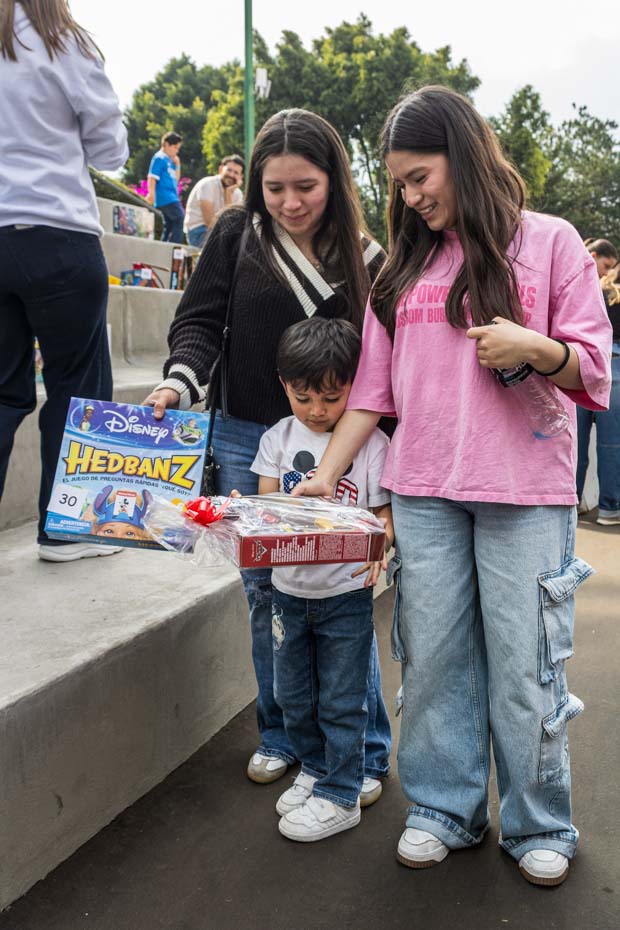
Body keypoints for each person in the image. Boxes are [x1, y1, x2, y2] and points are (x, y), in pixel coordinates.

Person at [292, 86, 612, 885]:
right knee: (432, 658)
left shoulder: (551, 242)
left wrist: (534, 345)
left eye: (420, 174)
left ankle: (538, 819)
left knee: (525, 662)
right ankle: (442, 807)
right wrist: (323, 479)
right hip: (425, 492)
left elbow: (593, 367)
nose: (411, 195)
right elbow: (371, 391)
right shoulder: (403, 270)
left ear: (464, 153)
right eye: (399, 182)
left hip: (525, 491)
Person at [145, 108, 392, 801]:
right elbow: (198, 321)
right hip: (246, 440)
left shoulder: (369, 262)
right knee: (266, 602)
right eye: (274, 187)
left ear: (334, 182)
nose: (289, 202)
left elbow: (381, 366)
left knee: (344, 602)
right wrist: (176, 382)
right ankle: (281, 736)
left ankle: (363, 750)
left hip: (334, 451)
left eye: (305, 186)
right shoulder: (235, 234)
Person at [250, 317, 393, 842]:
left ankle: (341, 790)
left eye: (332, 398)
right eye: (304, 396)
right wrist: (240, 517)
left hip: (346, 596)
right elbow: (266, 506)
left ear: (356, 385)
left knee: (342, 696)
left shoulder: (371, 444)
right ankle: (313, 768)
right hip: (288, 593)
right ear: (283, 384)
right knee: (294, 692)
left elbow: (382, 514)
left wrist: (382, 541)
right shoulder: (276, 438)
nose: (316, 410)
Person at [0, 0, 128, 561]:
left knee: (2, 394)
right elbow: (110, 150)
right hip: (59, 234)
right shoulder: (63, 40)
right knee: (78, 386)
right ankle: (66, 528)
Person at [576, 258, 620, 523]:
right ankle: (609, 508)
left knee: (577, 444)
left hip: (585, 365)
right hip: (617, 369)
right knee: (610, 445)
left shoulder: (598, 289)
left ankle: (571, 503)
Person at [184, 155, 244, 249]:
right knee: (228, 248)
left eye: (236, 173)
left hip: (219, 233)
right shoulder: (207, 184)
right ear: (220, 169)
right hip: (199, 230)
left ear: (241, 177)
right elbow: (210, 222)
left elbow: (233, 224)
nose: (231, 175)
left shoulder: (237, 194)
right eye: (229, 170)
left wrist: (228, 194)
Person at [146, 131, 184, 243]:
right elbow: (152, 177)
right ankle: (173, 247)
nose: (177, 151)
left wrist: (177, 164)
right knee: (179, 217)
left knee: (170, 224)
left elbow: (176, 179)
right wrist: (151, 193)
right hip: (166, 197)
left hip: (172, 196)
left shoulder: (170, 161)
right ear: (166, 144)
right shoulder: (159, 158)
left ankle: (163, 246)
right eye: (175, 148)